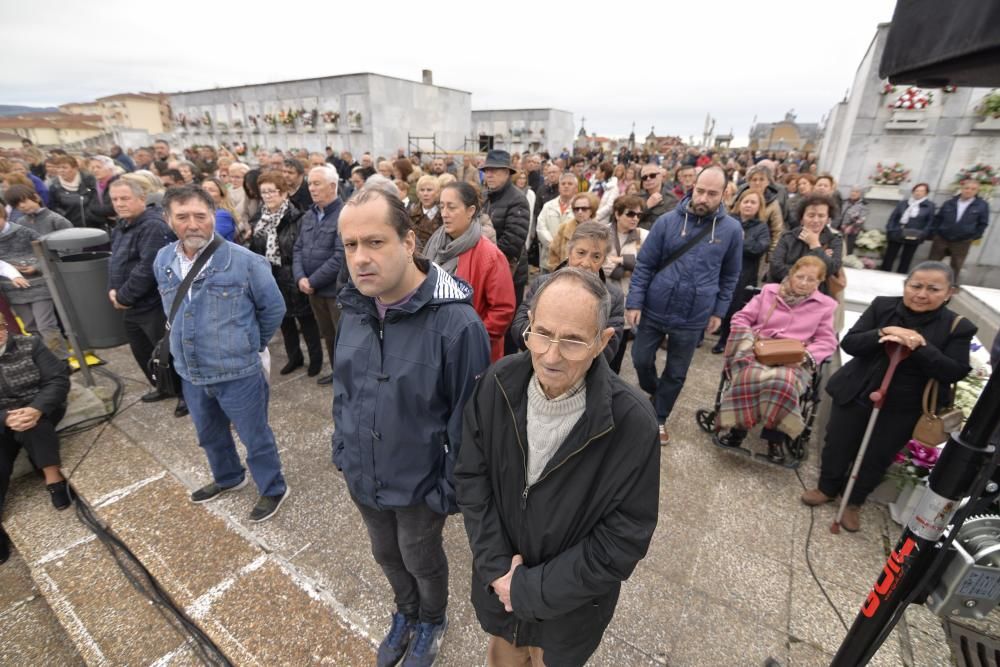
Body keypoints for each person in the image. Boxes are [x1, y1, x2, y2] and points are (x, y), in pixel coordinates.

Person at [456, 267, 660, 667]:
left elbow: (624, 539)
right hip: (501, 595)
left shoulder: (633, 423)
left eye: (572, 342)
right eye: (543, 333)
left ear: (603, 342)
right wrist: (499, 568)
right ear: (527, 325)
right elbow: (471, 476)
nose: (550, 355)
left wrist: (528, 591)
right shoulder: (498, 383)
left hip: (570, 614)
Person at [333, 187, 490, 667]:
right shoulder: (355, 308)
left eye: (375, 242)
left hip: (421, 488)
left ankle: (431, 620)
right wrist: (343, 450)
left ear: (408, 243)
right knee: (386, 555)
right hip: (364, 475)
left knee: (421, 558)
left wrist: (447, 492)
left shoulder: (459, 326)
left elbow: (470, 422)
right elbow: (344, 389)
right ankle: (405, 612)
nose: (360, 258)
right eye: (350, 245)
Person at [801, 261, 976, 532]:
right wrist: (884, 332)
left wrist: (921, 346)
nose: (921, 294)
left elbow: (953, 371)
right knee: (838, 442)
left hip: (904, 406)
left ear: (949, 292)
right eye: (915, 286)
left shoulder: (957, 326)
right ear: (905, 285)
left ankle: (854, 502)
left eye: (933, 289)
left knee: (877, 456)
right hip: (858, 390)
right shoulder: (883, 306)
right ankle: (827, 487)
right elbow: (851, 343)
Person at [153, 185, 289, 523]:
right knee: (209, 434)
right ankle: (229, 477)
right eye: (183, 217)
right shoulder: (163, 259)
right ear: (169, 220)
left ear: (213, 216)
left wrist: (249, 343)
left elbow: (273, 308)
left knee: (255, 436)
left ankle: (272, 487)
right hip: (191, 372)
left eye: (201, 216)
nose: (193, 224)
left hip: (238, 372)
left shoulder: (244, 262)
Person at [626, 166, 742, 445]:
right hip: (656, 305)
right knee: (640, 359)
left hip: (693, 314)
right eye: (700, 190)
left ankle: (659, 417)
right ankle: (655, 390)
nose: (703, 198)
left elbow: (730, 276)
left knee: (676, 372)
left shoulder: (731, 230)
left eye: (711, 193)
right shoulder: (667, 222)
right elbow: (645, 265)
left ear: (723, 194)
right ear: (693, 188)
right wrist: (635, 302)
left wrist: (719, 311)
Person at [714, 256, 838, 463]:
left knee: (783, 383)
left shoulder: (825, 306)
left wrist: (805, 356)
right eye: (800, 277)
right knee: (750, 376)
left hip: (794, 360)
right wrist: (747, 340)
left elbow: (827, 341)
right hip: (757, 351)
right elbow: (741, 318)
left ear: (819, 283)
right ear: (791, 275)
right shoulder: (769, 292)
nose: (804, 283)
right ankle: (738, 429)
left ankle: (775, 439)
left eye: (811, 280)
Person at [106, 179, 185, 416]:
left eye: (125, 198)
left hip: (154, 304)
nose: (119, 204)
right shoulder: (122, 225)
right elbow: (116, 260)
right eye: (115, 199)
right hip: (131, 304)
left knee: (168, 353)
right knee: (142, 351)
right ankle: (163, 386)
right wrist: (113, 288)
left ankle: (184, 395)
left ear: (142, 198)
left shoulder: (153, 227)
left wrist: (123, 296)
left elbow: (148, 268)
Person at [0, 311, 73, 564]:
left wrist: (37, 408)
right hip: (3, 417)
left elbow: (58, 380)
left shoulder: (30, 344)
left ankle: (53, 479)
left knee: (35, 427)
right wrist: (5, 419)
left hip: (38, 407)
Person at [424, 182, 515, 362]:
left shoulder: (490, 255)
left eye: (451, 207)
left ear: (470, 210)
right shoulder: (434, 244)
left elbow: (502, 310)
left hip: (470, 352)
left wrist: (470, 338)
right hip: (432, 344)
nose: (444, 213)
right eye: (441, 206)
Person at [515, 220, 626, 364]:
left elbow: (608, 348)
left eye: (596, 257)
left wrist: (571, 354)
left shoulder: (613, 297)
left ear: (604, 259)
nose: (586, 263)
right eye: (581, 253)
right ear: (569, 251)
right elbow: (519, 325)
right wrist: (544, 340)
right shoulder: (542, 284)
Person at [248, 171, 322, 377]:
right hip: (271, 277)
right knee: (284, 321)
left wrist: (301, 275)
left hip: (293, 274)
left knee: (306, 321)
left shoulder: (298, 217)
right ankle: (294, 357)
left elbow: (304, 249)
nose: (268, 196)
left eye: (272, 191)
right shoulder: (259, 219)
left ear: (283, 194)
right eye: (264, 192)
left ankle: (316, 360)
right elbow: (255, 250)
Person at [293, 165, 345, 386]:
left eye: (317, 183)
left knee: (343, 337)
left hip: (334, 290)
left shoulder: (344, 214)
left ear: (332, 186)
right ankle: (337, 373)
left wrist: (312, 281)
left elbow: (341, 256)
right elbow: (298, 249)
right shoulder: (309, 216)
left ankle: (348, 377)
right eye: (310, 184)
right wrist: (300, 278)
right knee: (328, 335)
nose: (311, 189)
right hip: (312, 290)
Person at [0, 205, 67, 359]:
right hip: (12, 290)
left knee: (46, 325)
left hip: (38, 286)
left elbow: (47, 251)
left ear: (4, 215)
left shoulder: (24, 231)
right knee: (30, 326)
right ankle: (44, 358)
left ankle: (62, 359)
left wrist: (36, 267)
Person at [481, 150, 530, 353]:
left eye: (494, 170)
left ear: (507, 173)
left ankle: (509, 372)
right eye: (486, 170)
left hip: (509, 274)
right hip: (490, 270)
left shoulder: (517, 200)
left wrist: (482, 257)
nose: (489, 174)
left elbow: (512, 242)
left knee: (507, 326)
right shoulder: (487, 197)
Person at [713, 189, 772, 354]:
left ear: (759, 207)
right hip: (721, 268)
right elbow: (718, 241)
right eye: (746, 201)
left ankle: (724, 340)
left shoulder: (761, 227)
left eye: (753, 202)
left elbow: (758, 248)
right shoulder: (729, 220)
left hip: (744, 273)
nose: (748, 205)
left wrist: (740, 240)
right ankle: (700, 336)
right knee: (711, 301)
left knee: (734, 308)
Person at [603, 195, 648, 373]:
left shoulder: (644, 236)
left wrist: (620, 259)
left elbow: (647, 265)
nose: (635, 218)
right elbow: (603, 265)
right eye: (630, 213)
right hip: (603, 299)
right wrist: (628, 267)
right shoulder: (603, 233)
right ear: (617, 214)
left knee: (617, 353)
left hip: (628, 301)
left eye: (639, 214)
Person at [768, 193, 843, 293]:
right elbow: (776, 268)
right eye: (811, 215)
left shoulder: (834, 240)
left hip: (817, 297)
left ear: (827, 219)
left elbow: (831, 269)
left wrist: (815, 245)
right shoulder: (787, 238)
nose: (816, 220)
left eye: (821, 216)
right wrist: (819, 263)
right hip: (784, 293)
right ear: (802, 218)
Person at [929, 178, 991, 285]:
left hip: (962, 241)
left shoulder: (982, 205)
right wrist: (936, 233)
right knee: (932, 263)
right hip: (942, 238)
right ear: (962, 189)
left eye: (973, 189)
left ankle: (951, 286)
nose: (969, 191)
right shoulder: (949, 203)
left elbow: (983, 223)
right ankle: (927, 281)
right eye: (967, 188)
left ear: (977, 191)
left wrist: (972, 236)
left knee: (956, 265)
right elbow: (938, 218)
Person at [882, 183, 934, 274]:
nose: (918, 193)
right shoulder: (903, 203)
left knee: (906, 258)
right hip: (897, 231)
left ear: (926, 193)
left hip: (914, 234)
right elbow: (893, 217)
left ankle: (901, 275)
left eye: (922, 191)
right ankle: (884, 273)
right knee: (889, 256)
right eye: (916, 190)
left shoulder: (929, 206)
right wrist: (890, 229)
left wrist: (923, 234)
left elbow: (930, 222)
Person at [732, 165, 784, 254]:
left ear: (768, 182)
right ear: (748, 181)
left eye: (761, 179)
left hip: (760, 249)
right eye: (754, 179)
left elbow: (777, 232)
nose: (757, 182)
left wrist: (771, 254)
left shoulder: (773, 203)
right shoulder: (740, 196)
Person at [535, 173, 577, 273]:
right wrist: (553, 244)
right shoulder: (548, 206)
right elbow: (541, 227)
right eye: (563, 184)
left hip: (571, 261)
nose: (566, 186)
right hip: (548, 259)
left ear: (576, 188)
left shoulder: (580, 208)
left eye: (570, 184)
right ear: (559, 187)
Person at [547, 192, 599, 269]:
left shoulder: (600, 232)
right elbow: (553, 253)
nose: (580, 212)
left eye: (584, 209)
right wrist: (557, 272)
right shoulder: (564, 228)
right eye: (576, 209)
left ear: (592, 210)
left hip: (589, 276)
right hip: (565, 276)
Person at [47, 155, 100, 228]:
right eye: (58, 167)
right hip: (70, 226)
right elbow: (53, 207)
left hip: (94, 224)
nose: (61, 170)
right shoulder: (54, 186)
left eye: (64, 167)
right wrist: (64, 215)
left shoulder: (89, 180)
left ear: (75, 168)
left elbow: (97, 199)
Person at [3, 185, 72, 236]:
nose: (22, 206)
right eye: (16, 205)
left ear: (36, 197)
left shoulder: (57, 220)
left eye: (24, 201)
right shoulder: (20, 222)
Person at [638, 164, 678, 230]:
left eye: (652, 175)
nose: (648, 179)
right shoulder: (636, 197)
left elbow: (670, 224)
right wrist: (647, 206)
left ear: (661, 177)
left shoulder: (672, 198)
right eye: (644, 177)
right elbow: (630, 220)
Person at [834, 185, 869, 256]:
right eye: (852, 191)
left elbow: (861, 219)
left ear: (861, 194)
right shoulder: (845, 202)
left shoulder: (863, 206)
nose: (853, 193)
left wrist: (851, 227)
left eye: (856, 192)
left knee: (847, 250)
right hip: (839, 229)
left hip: (851, 232)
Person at [200, 176, 238, 242]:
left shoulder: (223, 215)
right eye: (203, 189)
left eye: (211, 190)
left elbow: (209, 238)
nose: (205, 192)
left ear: (222, 196)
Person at [409, 174, 442, 248]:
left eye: (429, 190)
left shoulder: (443, 214)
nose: (425, 194)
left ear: (437, 193)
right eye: (422, 190)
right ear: (417, 193)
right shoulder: (411, 213)